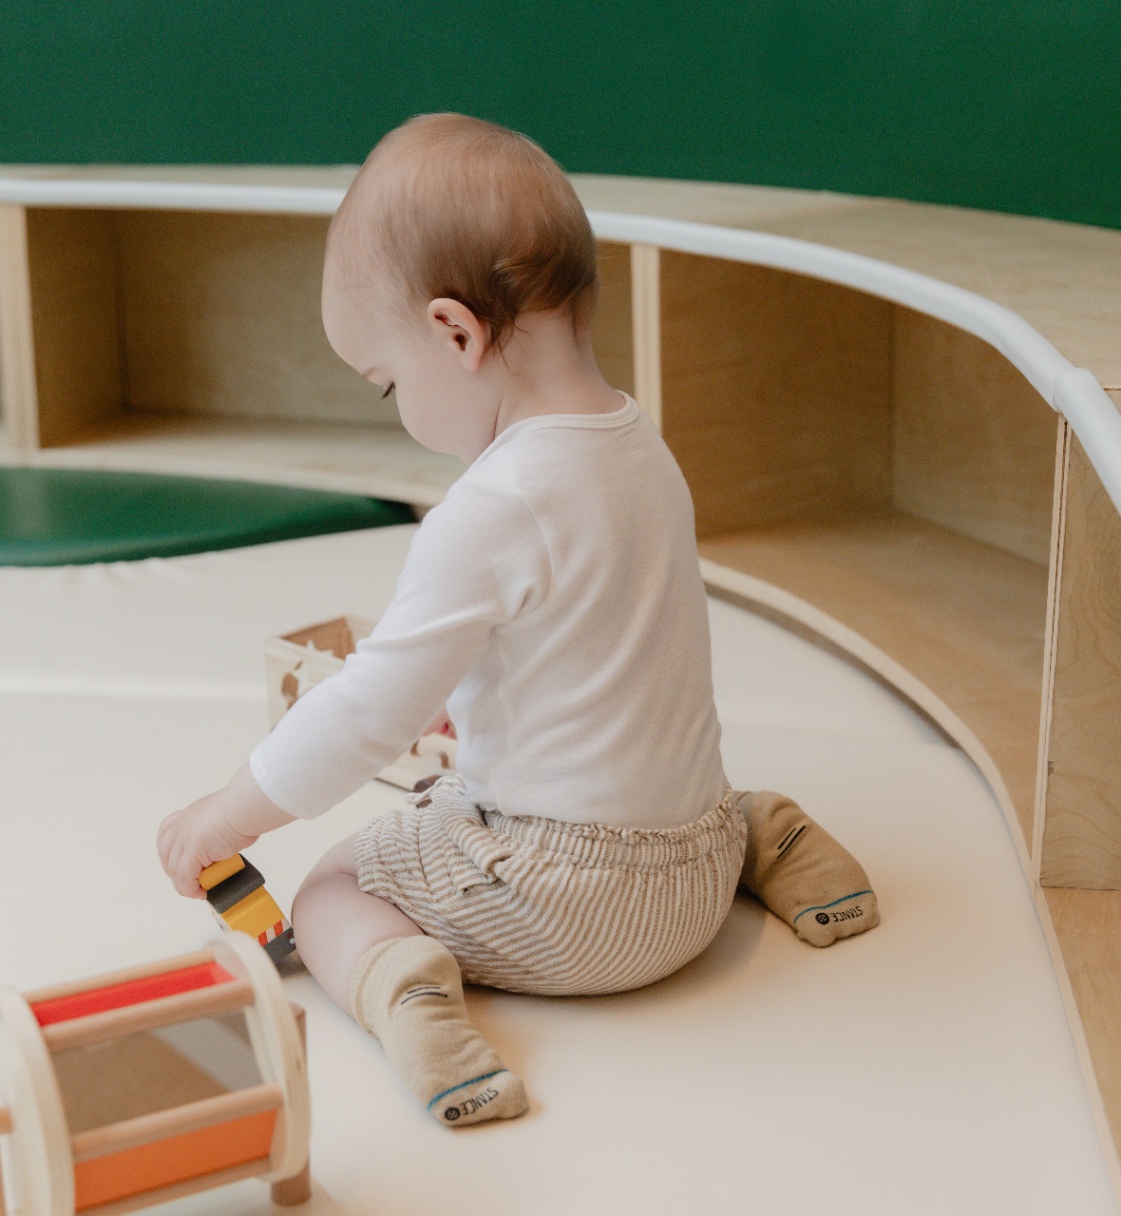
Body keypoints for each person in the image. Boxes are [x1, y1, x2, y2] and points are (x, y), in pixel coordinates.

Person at [158, 113, 877, 1128]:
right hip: (697, 877)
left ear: (457, 332)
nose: (399, 408)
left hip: (575, 910)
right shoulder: (645, 451)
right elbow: (605, 653)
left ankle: (407, 997)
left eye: (389, 383)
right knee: (692, 783)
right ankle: (771, 839)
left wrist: (224, 815)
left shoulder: (489, 508)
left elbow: (365, 713)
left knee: (333, 885)